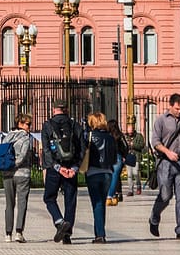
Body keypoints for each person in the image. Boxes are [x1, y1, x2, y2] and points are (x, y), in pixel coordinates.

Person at [149, 92, 180, 240]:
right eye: (177, 109)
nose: (179, 112)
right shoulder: (161, 121)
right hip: (166, 163)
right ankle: (154, 218)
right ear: (170, 106)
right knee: (165, 196)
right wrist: (167, 152)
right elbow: (155, 142)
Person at [41, 104, 85, 244]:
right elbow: (82, 149)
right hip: (71, 167)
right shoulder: (75, 125)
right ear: (66, 109)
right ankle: (67, 234)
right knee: (70, 200)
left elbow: (46, 150)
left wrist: (57, 167)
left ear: (53, 109)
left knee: (49, 197)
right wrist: (74, 168)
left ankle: (59, 222)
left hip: (55, 168)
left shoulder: (47, 125)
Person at [84, 112, 124, 244]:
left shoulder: (89, 136)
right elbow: (114, 157)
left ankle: (100, 235)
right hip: (107, 173)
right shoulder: (111, 137)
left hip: (93, 172)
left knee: (97, 203)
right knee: (101, 202)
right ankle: (99, 232)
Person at [0, 112, 37, 242]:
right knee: (22, 203)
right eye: (28, 124)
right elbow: (23, 155)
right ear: (20, 123)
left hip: (7, 174)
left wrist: (8, 166)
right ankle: (19, 232)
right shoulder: (26, 138)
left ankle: (7, 234)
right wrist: (15, 164)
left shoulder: (7, 136)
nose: (29, 127)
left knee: (9, 204)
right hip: (22, 174)